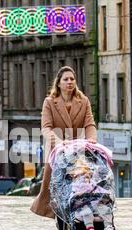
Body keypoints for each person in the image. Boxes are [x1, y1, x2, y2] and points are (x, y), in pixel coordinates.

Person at [30, 65, 97, 220]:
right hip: (57, 151)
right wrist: (60, 142)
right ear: (58, 83)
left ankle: (83, 214)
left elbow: (90, 124)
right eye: (65, 79)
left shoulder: (84, 101)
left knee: (82, 185)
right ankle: (60, 218)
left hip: (79, 151)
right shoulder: (50, 102)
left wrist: (91, 138)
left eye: (72, 79)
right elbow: (46, 128)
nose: (69, 82)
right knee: (57, 189)